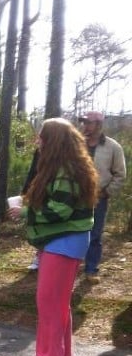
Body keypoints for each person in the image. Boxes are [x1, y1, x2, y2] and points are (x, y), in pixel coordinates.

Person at [7, 118, 98, 356]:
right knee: (58, 304)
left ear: (54, 141)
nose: (38, 141)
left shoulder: (66, 170)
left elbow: (60, 210)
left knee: (48, 303)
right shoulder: (68, 166)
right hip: (65, 241)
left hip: (65, 241)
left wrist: (26, 212)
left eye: (42, 137)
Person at [79, 111, 127, 282]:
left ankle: (91, 269)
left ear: (98, 125)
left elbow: (120, 175)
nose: (85, 126)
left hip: (99, 198)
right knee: (74, 231)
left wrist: (106, 192)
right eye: (83, 122)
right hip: (75, 197)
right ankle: (71, 265)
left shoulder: (113, 147)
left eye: (88, 123)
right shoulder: (77, 144)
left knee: (95, 234)